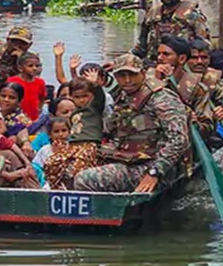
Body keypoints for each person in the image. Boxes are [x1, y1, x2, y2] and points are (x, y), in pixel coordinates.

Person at [74, 54, 189, 193]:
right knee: (71, 168)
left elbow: (179, 140)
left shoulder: (161, 98)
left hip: (157, 167)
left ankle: (106, 212)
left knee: (84, 179)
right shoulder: (123, 97)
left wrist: (155, 171)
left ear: (143, 73)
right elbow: (111, 127)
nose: (127, 80)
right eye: (122, 75)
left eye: (132, 74)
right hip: (129, 158)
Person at [44, 71, 105, 190]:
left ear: (91, 95)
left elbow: (100, 96)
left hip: (89, 145)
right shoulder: (73, 113)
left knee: (78, 168)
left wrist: (95, 84)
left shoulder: (94, 108)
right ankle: (58, 189)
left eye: (85, 96)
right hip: (72, 145)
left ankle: (77, 191)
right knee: (51, 162)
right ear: (71, 97)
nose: (82, 100)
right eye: (77, 97)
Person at [131, 0, 210, 62]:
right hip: (154, 63)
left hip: (183, 65)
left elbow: (204, 44)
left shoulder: (192, 15)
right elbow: (141, 45)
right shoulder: (152, 14)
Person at [154, 34, 215, 142]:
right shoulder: (146, 81)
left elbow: (208, 128)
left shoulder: (198, 89)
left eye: (166, 54)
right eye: (159, 54)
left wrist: (194, 122)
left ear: (181, 59)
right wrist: (156, 81)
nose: (160, 58)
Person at [187, 38, 223, 126]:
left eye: (204, 58)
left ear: (209, 59)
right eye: (194, 58)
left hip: (204, 128)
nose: (199, 62)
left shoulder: (213, 79)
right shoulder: (177, 75)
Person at [7, 52, 46, 122]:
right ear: (20, 68)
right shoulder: (12, 81)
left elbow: (42, 98)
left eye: (37, 66)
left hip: (34, 118)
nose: (34, 68)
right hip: (16, 118)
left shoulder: (40, 82)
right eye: (30, 66)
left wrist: (38, 109)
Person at [32, 117, 70, 187]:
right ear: (49, 134)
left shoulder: (72, 148)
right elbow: (37, 167)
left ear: (69, 132)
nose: (61, 134)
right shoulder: (45, 150)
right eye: (56, 131)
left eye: (64, 130)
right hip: (47, 182)